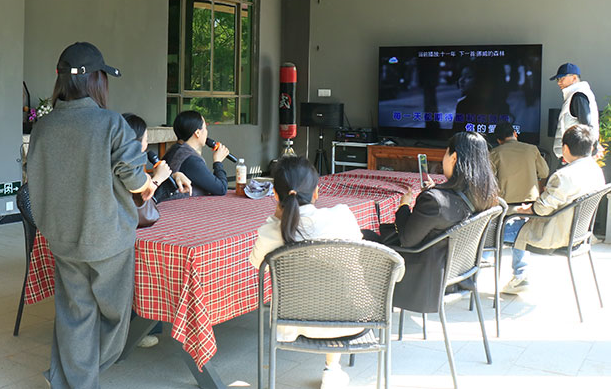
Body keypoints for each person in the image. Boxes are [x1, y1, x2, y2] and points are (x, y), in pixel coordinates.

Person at [27, 42, 156, 388]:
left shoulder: (43, 126)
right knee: (116, 316)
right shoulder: (111, 123)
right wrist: (148, 182)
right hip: (107, 238)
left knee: (75, 314)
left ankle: (71, 379)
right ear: (95, 80)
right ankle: (82, 373)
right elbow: (134, 178)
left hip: (62, 238)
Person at [249, 156, 363, 389]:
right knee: (332, 285)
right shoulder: (342, 215)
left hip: (291, 323)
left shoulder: (271, 232)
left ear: (276, 195)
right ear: (316, 192)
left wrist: (275, 218)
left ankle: (332, 370)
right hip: (350, 320)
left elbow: (256, 264)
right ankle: (332, 368)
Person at [387, 132, 499, 313]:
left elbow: (407, 240)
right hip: (458, 273)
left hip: (424, 278)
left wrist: (404, 206)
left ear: (454, 157)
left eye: (446, 152)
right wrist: (436, 190)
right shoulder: (486, 196)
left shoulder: (435, 201)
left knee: (367, 241)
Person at [502, 124, 606, 294]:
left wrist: (526, 210)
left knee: (490, 231)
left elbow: (541, 210)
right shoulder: (595, 170)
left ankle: (471, 279)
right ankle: (520, 276)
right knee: (517, 222)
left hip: (551, 234)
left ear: (565, 148)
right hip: (577, 234)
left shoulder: (563, 176)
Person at [122, 112, 192, 349]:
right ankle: (137, 326)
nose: (147, 142)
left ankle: (147, 321)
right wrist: (157, 180)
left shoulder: (126, 162)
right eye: (145, 137)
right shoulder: (123, 166)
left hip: (125, 231)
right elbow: (138, 199)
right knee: (153, 259)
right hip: (120, 235)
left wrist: (173, 174)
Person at [160, 110, 230, 200]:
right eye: (205, 128)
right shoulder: (191, 160)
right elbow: (221, 189)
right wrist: (218, 162)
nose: (206, 132)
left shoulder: (175, 149)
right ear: (197, 133)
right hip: (180, 206)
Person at [490, 121, 549, 209]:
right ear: (515, 134)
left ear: (498, 140)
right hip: (530, 204)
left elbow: (488, 179)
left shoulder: (495, 153)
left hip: (505, 205)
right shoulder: (532, 149)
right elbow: (544, 173)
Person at [549, 63, 600, 160]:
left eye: (562, 78)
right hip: (573, 154)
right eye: (557, 79)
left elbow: (587, 127)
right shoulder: (576, 95)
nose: (559, 82)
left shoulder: (578, 96)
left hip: (575, 155)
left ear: (574, 78)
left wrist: (594, 148)